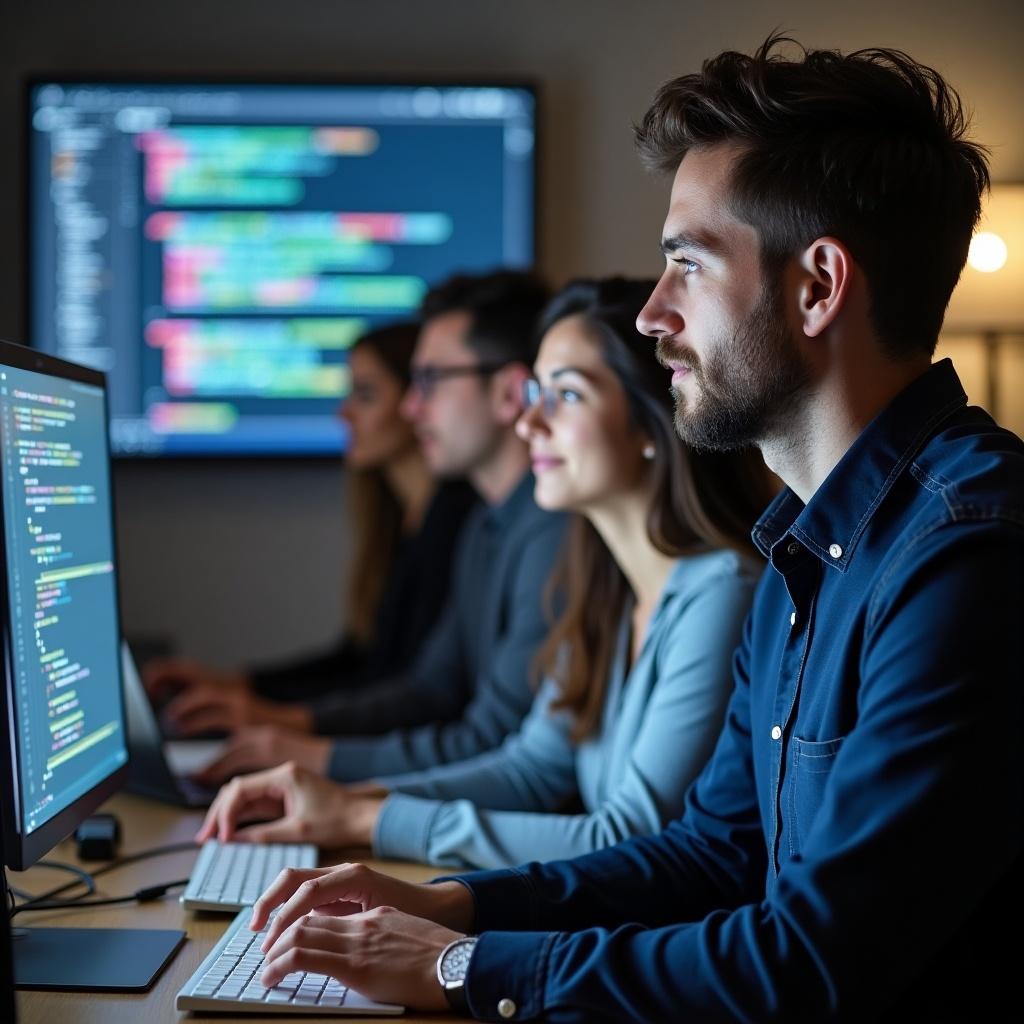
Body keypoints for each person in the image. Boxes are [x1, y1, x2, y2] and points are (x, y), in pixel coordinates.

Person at [224, 36, 1022, 1021]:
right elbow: (714, 851)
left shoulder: (968, 551)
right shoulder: (802, 549)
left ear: (817, 287)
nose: (652, 314)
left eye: (687, 264)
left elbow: (815, 960)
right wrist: (451, 906)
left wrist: (458, 969)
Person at [197, 278, 774, 869]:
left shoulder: (722, 593)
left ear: (651, 425)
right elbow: (531, 769)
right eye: (535, 392)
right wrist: (346, 801)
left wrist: (367, 819)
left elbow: (629, 838)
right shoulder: (605, 588)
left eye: (567, 396)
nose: (529, 424)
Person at [186, 270, 569, 784]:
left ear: (506, 392)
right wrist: (288, 732)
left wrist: (307, 756)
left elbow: (491, 739)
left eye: (431, 381)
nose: (412, 407)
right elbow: (429, 688)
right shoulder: (485, 525)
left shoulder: (555, 532)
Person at [145, 322, 478, 731]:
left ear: (418, 402)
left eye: (366, 395)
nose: (344, 412)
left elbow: (406, 688)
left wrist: (271, 715)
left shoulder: (460, 522)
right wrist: (240, 685)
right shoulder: (400, 517)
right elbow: (359, 657)